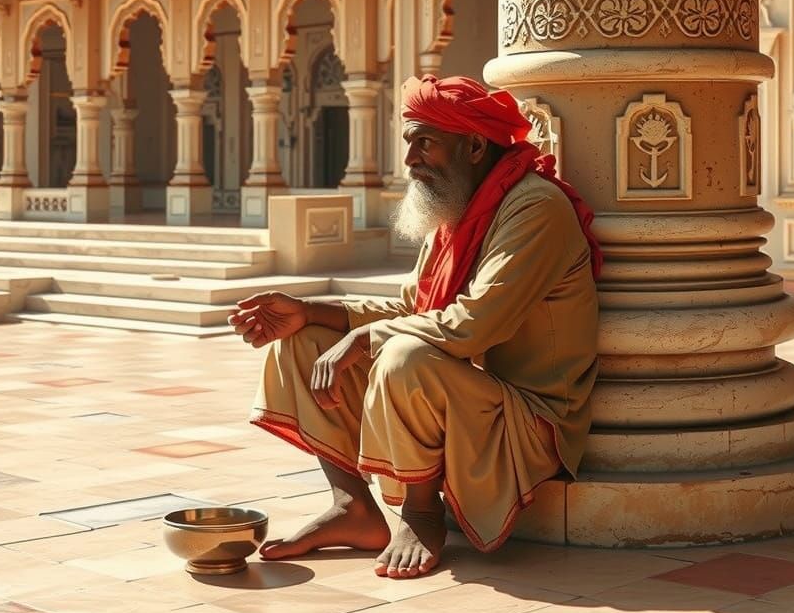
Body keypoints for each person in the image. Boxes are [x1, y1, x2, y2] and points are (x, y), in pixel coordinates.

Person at [229, 74, 601, 579]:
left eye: (424, 142)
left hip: (528, 420)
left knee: (404, 357)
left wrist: (366, 338)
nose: (410, 161)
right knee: (302, 342)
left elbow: (471, 326)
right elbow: (411, 307)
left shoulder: (535, 208)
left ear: (472, 145)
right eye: (409, 143)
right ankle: (352, 508)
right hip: (467, 399)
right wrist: (310, 310)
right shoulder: (458, 211)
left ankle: (422, 513)